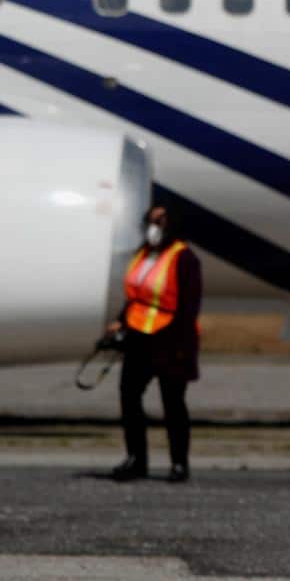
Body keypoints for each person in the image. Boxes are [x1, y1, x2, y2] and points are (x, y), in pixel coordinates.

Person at [110, 203, 202, 484]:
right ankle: (136, 459)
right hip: (139, 336)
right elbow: (135, 295)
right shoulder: (143, 254)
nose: (154, 226)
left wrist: (182, 346)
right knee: (129, 396)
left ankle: (179, 463)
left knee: (173, 403)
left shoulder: (184, 258)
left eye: (160, 220)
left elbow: (189, 306)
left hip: (171, 338)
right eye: (151, 220)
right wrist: (120, 322)